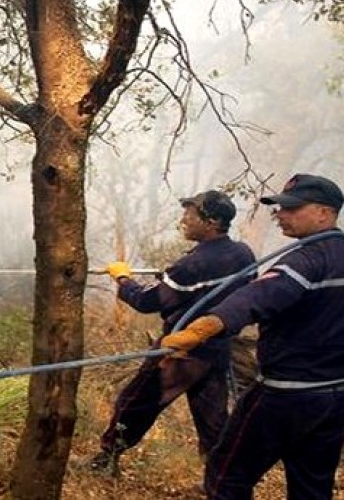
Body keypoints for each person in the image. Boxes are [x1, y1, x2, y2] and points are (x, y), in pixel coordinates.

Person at [162, 173, 344, 500]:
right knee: (312, 485)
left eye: (292, 208)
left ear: (324, 213)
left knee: (226, 475)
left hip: (285, 395)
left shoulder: (305, 260)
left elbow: (257, 297)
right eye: (280, 208)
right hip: (339, 396)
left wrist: (204, 326)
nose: (280, 214)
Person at [90, 190, 256, 476]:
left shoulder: (192, 265)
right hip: (218, 350)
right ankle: (221, 480)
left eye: (190, 215)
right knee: (213, 420)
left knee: (135, 403)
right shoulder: (242, 254)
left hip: (180, 352)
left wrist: (122, 278)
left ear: (212, 221)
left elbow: (146, 301)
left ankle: (106, 460)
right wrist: (168, 279)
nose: (183, 220)